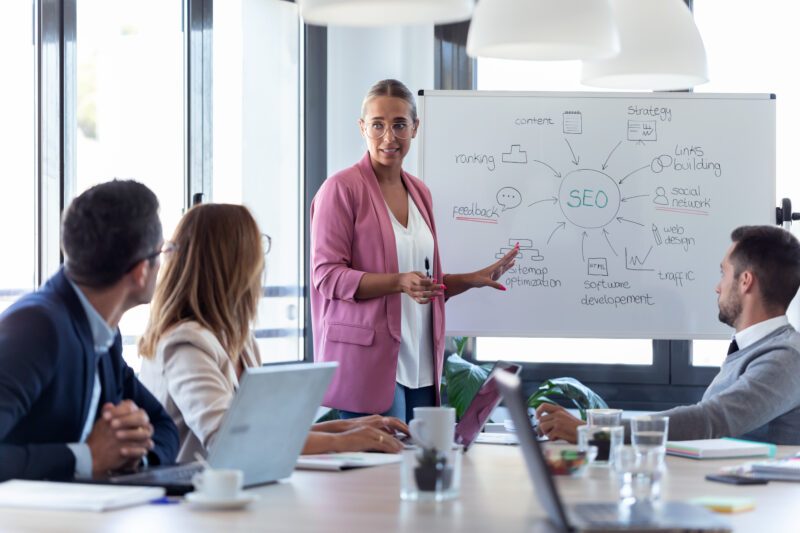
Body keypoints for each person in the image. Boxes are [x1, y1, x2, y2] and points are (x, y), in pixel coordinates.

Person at [310, 79, 518, 422]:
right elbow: (327, 277)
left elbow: (420, 283)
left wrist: (470, 279)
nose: (388, 137)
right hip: (369, 363)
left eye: (399, 125)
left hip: (420, 359)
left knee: (418, 469)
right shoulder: (341, 189)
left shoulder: (420, 193)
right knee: (378, 473)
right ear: (362, 128)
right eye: (377, 125)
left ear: (415, 128)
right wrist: (397, 282)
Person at [138, 203, 409, 463]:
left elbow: (262, 432)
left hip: (236, 493)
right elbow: (229, 439)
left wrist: (346, 428)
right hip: (192, 501)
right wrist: (341, 442)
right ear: (232, 264)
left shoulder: (240, 339)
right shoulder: (185, 342)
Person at [537, 225, 800, 445]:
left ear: (745, 281)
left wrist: (591, 433)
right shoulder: (754, 348)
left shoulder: (786, 358)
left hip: (758, 502)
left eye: (724, 273)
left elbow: (711, 420)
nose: (718, 287)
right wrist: (590, 427)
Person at [0, 180, 179, 481]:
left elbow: (163, 426)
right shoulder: (37, 328)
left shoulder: (103, 331)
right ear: (140, 271)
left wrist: (132, 456)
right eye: (161, 253)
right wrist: (86, 457)